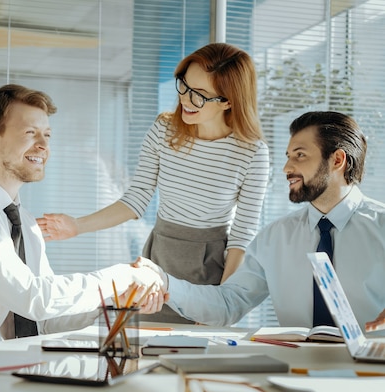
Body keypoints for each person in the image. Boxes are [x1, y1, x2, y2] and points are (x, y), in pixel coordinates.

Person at [37, 43, 270, 323]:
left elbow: (241, 237)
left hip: (210, 268)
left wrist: (219, 302)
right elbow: (136, 199)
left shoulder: (252, 152)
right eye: (184, 86)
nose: (185, 99)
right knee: (146, 348)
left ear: (228, 101)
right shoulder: (164, 130)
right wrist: (77, 226)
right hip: (159, 254)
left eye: (199, 96)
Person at [0, 84, 166, 346]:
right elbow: (34, 298)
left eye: (47, 135)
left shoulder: (23, 221)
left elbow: (45, 320)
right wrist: (122, 277)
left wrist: (118, 300)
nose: (43, 145)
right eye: (30, 133)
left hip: (17, 367)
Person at [135, 111, 385, 331]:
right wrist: (165, 282)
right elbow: (228, 303)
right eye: (288, 156)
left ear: (337, 160)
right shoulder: (276, 238)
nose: (287, 167)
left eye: (300, 155)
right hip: (295, 372)